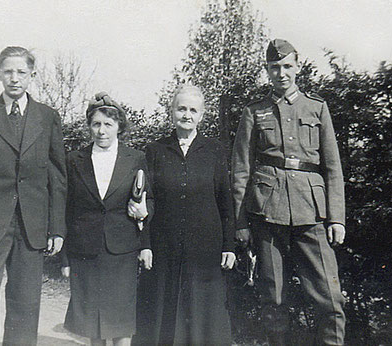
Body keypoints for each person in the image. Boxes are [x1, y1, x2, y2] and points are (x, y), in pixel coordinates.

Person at [231, 39, 346, 345]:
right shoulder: (254, 112)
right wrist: (241, 222)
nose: (281, 73)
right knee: (275, 300)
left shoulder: (317, 107)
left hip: (312, 212)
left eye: (287, 66)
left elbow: (333, 167)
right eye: (274, 68)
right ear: (267, 70)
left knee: (331, 299)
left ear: (297, 67)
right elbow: (241, 169)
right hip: (267, 213)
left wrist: (337, 218)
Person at [0, 46, 67, 345]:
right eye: (8, 71)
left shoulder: (48, 117)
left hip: (31, 226)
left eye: (21, 72)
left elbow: (57, 176)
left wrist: (57, 227)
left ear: (32, 75)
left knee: (25, 303)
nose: (14, 78)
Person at [133, 85, 236, 345]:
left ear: (202, 115)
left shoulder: (215, 150)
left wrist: (229, 246)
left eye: (193, 110)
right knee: (164, 316)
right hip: (164, 246)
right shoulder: (155, 150)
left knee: (203, 317)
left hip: (205, 251)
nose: (187, 115)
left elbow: (225, 200)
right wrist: (145, 244)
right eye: (181, 109)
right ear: (172, 113)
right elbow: (148, 200)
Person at [61, 92, 154, 346]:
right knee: (93, 320)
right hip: (85, 249)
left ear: (119, 126)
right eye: (96, 124)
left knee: (121, 318)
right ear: (89, 125)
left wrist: (145, 238)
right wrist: (65, 256)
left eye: (108, 124)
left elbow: (148, 200)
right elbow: (67, 208)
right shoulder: (74, 160)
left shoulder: (135, 158)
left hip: (122, 248)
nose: (101, 131)